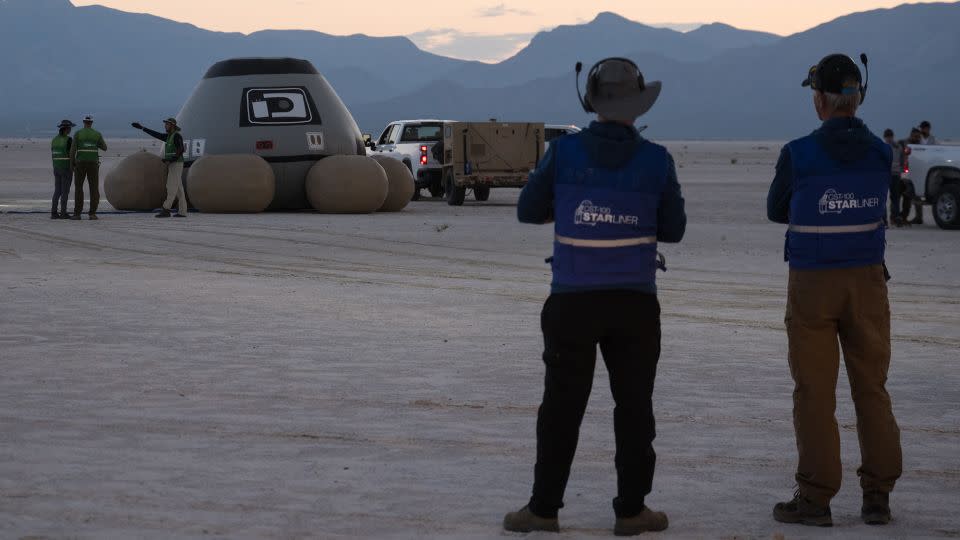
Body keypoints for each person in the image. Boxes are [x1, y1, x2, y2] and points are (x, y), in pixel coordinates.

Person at [503, 58, 686, 536]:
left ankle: (543, 510)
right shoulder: (657, 159)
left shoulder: (563, 153)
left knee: (561, 407)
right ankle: (631, 511)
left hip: (572, 301)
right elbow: (674, 229)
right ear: (638, 101)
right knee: (634, 407)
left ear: (591, 100)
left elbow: (527, 211)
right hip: (635, 303)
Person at [766, 54, 901, 527]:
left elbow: (776, 208)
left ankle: (816, 498)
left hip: (813, 284)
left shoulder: (798, 153)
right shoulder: (881, 153)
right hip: (867, 281)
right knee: (872, 387)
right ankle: (878, 496)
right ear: (859, 96)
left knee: (814, 392)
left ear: (821, 99)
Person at [132, 118, 187, 218]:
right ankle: (183, 211)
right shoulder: (169, 136)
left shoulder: (176, 136)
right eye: (165, 124)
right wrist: (142, 128)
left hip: (176, 164)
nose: (165, 126)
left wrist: (171, 159)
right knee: (179, 188)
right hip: (173, 163)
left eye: (167, 124)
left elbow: (181, 149)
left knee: (171, 186)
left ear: (172, 125)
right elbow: (156, 134)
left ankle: (166, 209)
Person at [70, 115, 107, 220]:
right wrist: (94, 144)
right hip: (93, 164)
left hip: (80, 163)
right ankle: (92, 214)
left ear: (83, 122)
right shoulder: (96, 134)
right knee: (94, 188)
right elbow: (105, 148)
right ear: (91, 123)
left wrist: (72, 164)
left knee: (78, 188)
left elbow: (72, 150)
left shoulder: (78, 133)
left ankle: (77, 214)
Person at [50, 120, 75, 219]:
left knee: (57, 191)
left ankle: (54, 212)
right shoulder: (68, 140)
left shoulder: (54, 140)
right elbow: (71, 154)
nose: (70, 130)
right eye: (70, 128)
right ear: (66, 129)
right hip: (66, 168)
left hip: (56, 168)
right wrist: (74, 165)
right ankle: (63, 213)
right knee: (65, 191)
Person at [882, 129, 906, 226]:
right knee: (890, 197)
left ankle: (891, 218)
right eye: (888, 136)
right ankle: (889, 219)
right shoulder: (897, 146)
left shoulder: (885, 146)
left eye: (889, 136)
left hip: (891, 174)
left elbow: (902, 159)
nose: (889, 138)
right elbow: (902, 160)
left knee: (892, 197)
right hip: (890, 174)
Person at [901, 128, 925, 224]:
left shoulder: (921, 146)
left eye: (918, 137)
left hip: (917, 173)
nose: (917, 138)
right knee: (906, 195)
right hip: (906, 173)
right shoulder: (905, 144)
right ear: (911, 135)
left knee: (915, 196)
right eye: (915, 136)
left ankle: (918, 217)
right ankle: (903, 216)